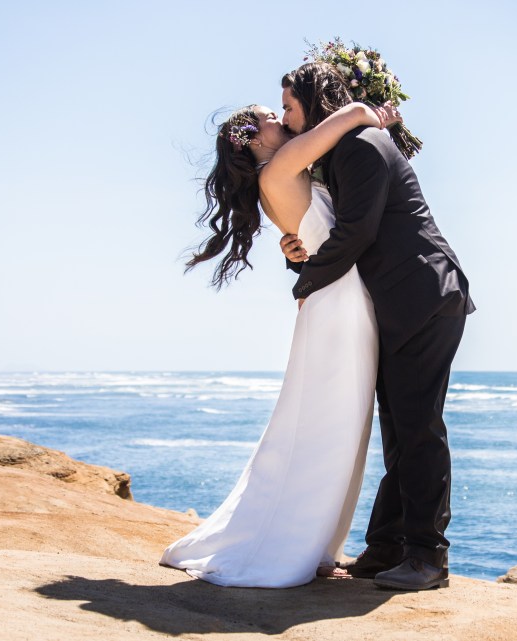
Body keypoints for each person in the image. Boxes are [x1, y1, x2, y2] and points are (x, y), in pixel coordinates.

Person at [158, 100, 400, 588]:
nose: (284, 121)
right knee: (328, 424)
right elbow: (348, 118)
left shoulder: (284, 173)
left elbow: (314, 236)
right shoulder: (281, 168)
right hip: (339, 304)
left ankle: (308, 537)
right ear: (253, 140)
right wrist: (367, 108)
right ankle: (291, 542)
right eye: (274, 116)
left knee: (332, 423)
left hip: (340, 299)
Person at [279, 63, 474, 591]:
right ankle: (387, 546)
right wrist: (301, 260)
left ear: (317, 103)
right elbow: (346, 233)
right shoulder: (346, 149)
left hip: (424, 298)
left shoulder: (361, 145)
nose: (284, 119)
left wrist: (304, 284)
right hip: (406, 303)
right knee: (400, 430)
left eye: (290, 108)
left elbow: (358, 233)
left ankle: (429, 557)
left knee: (417, 429)